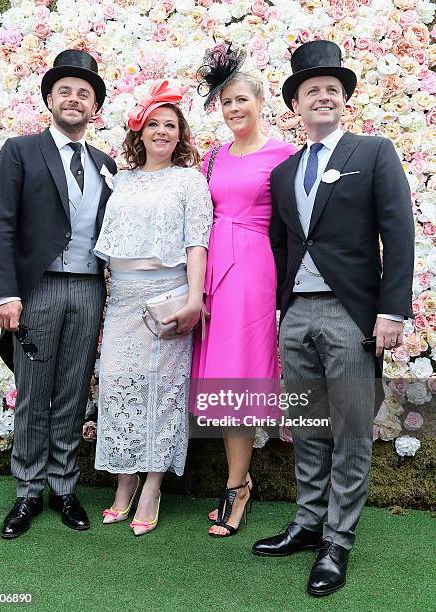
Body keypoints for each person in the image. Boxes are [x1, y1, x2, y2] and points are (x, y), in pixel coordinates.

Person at [253, 41, 414, 596]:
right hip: (296, 315)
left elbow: (398, 234)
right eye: (311, 90)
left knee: (349, 430)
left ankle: (337, 541)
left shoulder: (373, 152)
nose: (322, 96)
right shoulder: (285, 171)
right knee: (308, 426)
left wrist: (391, 310)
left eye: (331, 90)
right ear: (295, 104)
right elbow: (279, 246)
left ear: (343, 100)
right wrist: (275, 310)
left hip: (352, 315)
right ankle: (307, 521)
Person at [0, 49, 117, 539]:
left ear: (94, 108)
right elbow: (0, 226)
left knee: (71, 391)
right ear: (49, 99)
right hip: (36, 289)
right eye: (65, 90)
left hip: (87, 289)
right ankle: (27, 492)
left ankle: (64, 486)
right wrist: (5, 294)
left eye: (84, 93)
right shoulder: (20, 151)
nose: (74, 99)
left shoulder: (105, 163)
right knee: (33, 393)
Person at [94, 79, 212, 536]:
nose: (162, 131)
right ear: (139, 131)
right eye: (154, 124)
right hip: (122, 297)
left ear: (180, 136)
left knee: (162, 390)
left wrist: (195, 298)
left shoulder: (189, 180)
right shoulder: (120, 180)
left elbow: (197, 242)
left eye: (171, 126)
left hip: (169, 293)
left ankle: (152, 488)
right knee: (120, 387)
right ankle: (123, 483)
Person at [192, 43, 296, 537]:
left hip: (254, 270)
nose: (234, 109)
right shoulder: (212, 157)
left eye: (242, 100)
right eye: (226, 102)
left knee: (239, 379)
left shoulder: (284, 155)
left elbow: (297, 224)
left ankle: (236, 490)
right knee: (217, 380)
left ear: (260, 101)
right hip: (214, 269)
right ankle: (239, 479)